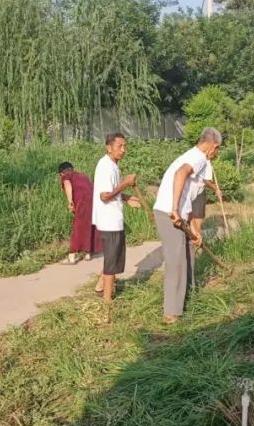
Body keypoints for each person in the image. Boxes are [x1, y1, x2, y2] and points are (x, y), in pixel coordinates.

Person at [152, 128, 223, 324]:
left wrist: (194, 230)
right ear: (213, 146)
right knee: (175, 262)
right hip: (169, 213)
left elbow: (189, 199)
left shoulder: (194, 156)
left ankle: (184, 301)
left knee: (184, 257)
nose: (215, 155)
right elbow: (180, 174)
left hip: (176, 214)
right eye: (217, 151)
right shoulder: (199, 157)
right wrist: (174, 209)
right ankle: (171, 314)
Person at [92, 133, 140, 304]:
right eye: (119, 146)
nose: (123, 150)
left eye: (125, 146)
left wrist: (126, 198)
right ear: (109, 147)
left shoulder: (113, 165)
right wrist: (125, 184)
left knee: (113, 257)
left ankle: (99, 286)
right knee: (112, 261)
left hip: (114, 219)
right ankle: (107, 301)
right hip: (108, 220)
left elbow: (113, 191)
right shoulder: (105, 166)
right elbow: (104, 196)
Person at [58, 162, 102, 264]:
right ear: (72, 168)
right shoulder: (82, 176)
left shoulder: (66, 176)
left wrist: (70, 202)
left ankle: (72, 256)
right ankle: (88, 253)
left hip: (83, 203)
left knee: (78, 228)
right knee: (90, 226)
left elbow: (67, 185)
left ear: (61, 173)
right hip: (94, 202)